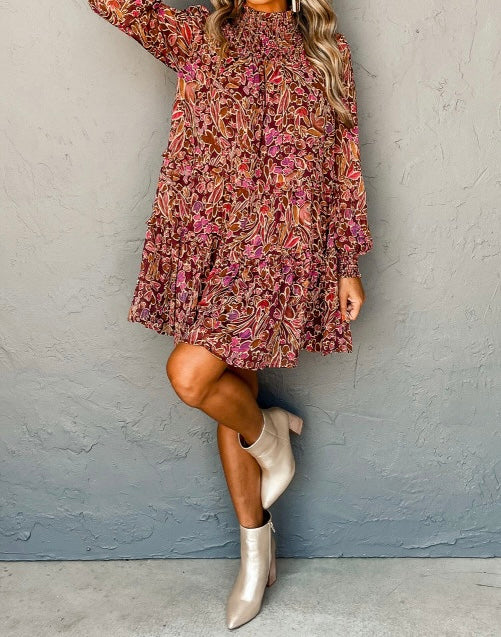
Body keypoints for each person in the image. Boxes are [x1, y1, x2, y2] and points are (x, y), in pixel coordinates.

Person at [88, 0, 374, 629]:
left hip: (282, 250)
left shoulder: (325, 49)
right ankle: (263, 480)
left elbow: (342, 162)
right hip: (213, 243)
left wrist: (347, 261)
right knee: (214, 383)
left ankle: (261, 494)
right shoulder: (203, 32)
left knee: (199, 376)